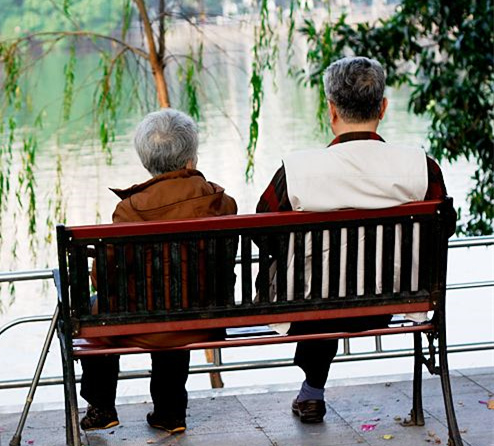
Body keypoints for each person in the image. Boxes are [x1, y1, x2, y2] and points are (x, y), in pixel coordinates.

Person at [256, 56, 451, 424]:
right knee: (332, 278)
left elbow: (263, 235)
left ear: (331, 110)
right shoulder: (422, 168)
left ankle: (312, 391)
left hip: (314, 305)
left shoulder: (296, 172)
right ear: (383, 107)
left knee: (317, 280)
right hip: (392, 298)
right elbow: (444, 229)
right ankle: (311, 391)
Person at [79, 108, 238, 433]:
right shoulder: (221, 202)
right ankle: (169, 412)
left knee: (97, 312)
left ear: (146, 161)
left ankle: (101, 406)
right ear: (191, 158)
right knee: (179, 301)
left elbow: (103, 278)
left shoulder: (130, 209)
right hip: (208, 318)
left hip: (147, 324)